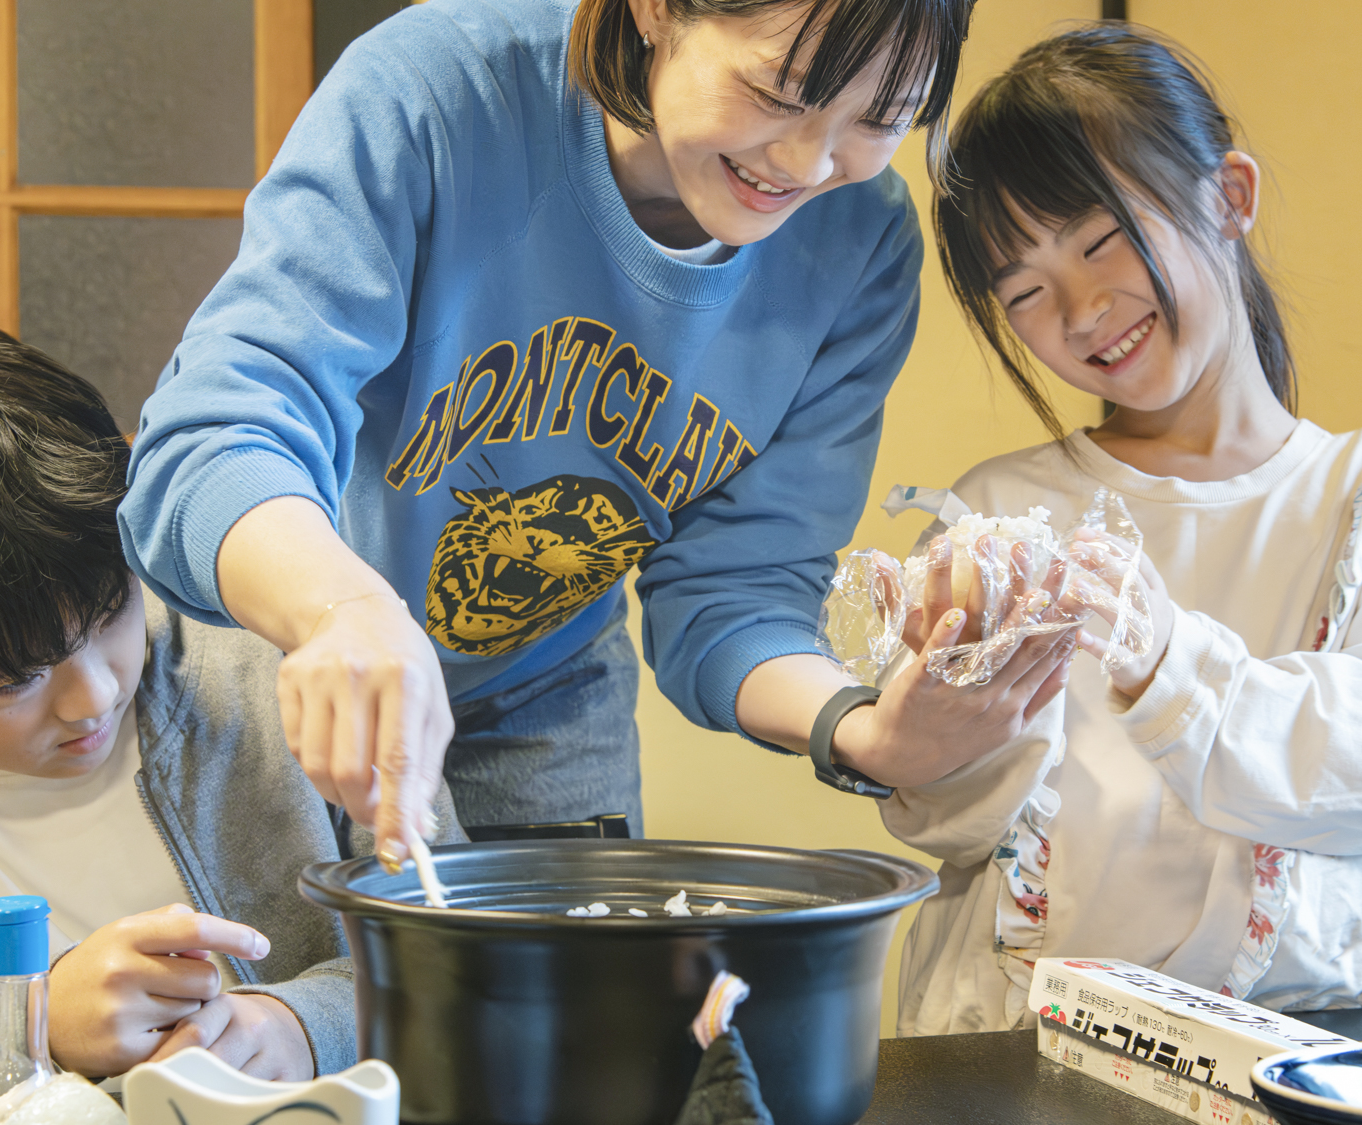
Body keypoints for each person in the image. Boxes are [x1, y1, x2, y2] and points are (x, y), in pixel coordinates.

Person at [118, 0, 1074, 861]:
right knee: (296, 985)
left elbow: (737, 588)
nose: (808, 165)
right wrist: (340, 610)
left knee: (570, 994)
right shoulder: (442, 89)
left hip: (544, 682)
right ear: (656, 10)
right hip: (280, 639)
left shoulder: (860, 241)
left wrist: (862, 731)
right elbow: (218, 433)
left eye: (880, 118)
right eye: (777, 94)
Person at [878, 25, 1362, 1032]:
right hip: (1023, 1045)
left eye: (1100, 240)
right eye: (1023, 290)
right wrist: (931, 729)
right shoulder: (997, 511)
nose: (1081, 311)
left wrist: (1171, 665)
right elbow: (956, 831)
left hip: (1313, 1032)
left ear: (1229, 197)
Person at [0, 312, 463, 1111]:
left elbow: (455, 949)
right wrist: (31, 1018)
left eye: (111, 611)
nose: (92, 694)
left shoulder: (278, 665)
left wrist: (301, 1025)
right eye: (16, 678)